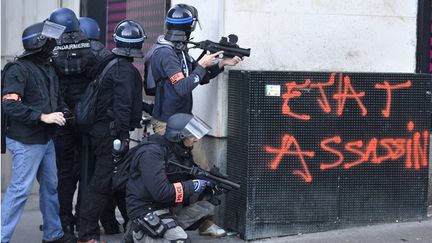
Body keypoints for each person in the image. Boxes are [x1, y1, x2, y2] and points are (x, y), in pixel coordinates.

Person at [1, 21, 76, 243]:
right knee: (20, 190)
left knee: (50, 187)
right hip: (26, 140)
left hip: (46, 138)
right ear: (39, 42)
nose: (54, 43)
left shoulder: (48, 67)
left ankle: (53, 234)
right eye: (49, 39)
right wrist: (42, 117)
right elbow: (10, 104)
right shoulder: (18, 69)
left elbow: (55, 98)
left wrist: (63, 111)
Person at [78, 19, 145, 243]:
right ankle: (87, 234)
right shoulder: (126, 71)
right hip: (111, 135)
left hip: (101, 132)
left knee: (115, 182)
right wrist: (122, 137)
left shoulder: (110, 64)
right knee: (102, 184)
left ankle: (123, 225)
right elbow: (122, 107)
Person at [125, 113, 226, 243]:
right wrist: (194, 185)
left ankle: (157, 230)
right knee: (180, 241)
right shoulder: (152, 153)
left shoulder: (179, 150)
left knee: (206, 207)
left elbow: (189, 173)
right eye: (191, 135)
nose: (195, 139)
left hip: (166, 207)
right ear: (179, 136)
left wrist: (212, 182)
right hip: (145, 209)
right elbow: (161, 193)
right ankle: (136, 231)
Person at [148, 3, 242, 135]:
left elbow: (200, 78)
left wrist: (222, 64)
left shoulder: (179, 50)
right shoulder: (166, 53)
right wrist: (202, 65)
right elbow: (182, 88)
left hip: (183, 117)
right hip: (168, 122)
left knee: (186, 154)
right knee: (171, 155)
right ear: (190, 26)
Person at [48, 8, 98, 235]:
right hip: (88, 121)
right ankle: (84, 223)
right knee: (88, 174)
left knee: (64, 175)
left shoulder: (49, 52)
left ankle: (65, 224)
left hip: (61, 121)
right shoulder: (93, 49)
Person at [79, 16, 128, 235]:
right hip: (106, 129)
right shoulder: (109, 60)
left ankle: (72, 225)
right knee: (102, 181)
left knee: (89, 178)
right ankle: (95, 227)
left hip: (78, 124)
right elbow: (124, 107)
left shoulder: (63, 55)